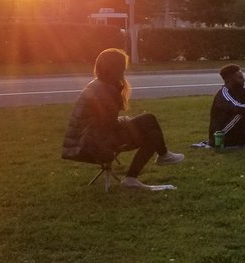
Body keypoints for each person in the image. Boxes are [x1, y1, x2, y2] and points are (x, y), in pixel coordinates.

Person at [61, 48, 184, 189]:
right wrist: (125, 121)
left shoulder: (96, 84)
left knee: (152, 132)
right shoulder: (106, 90)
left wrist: (124, 121)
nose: (124, 71)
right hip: (94, 142)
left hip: (86, 139)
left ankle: (156, 161)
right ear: (115, 69)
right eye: (123, 67)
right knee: (149, 122)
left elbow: (103, 121)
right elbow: (108, 125)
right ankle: (160, 158)